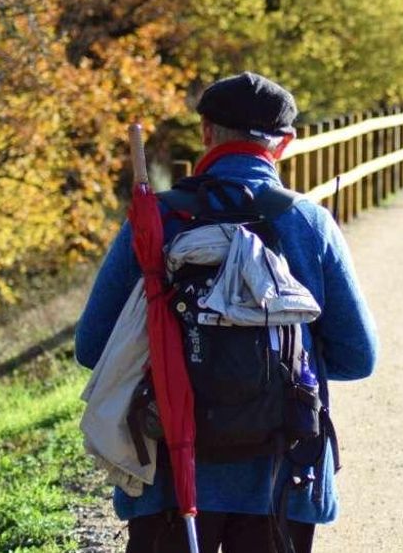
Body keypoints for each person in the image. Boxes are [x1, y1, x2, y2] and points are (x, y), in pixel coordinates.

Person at [76, 72, 378, 553]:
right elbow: (358, 357)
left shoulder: (158, 219)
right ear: (287, 142)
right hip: (283, 477)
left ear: (206, 133)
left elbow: (92, 347)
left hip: (169, 475)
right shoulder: (308, 223)